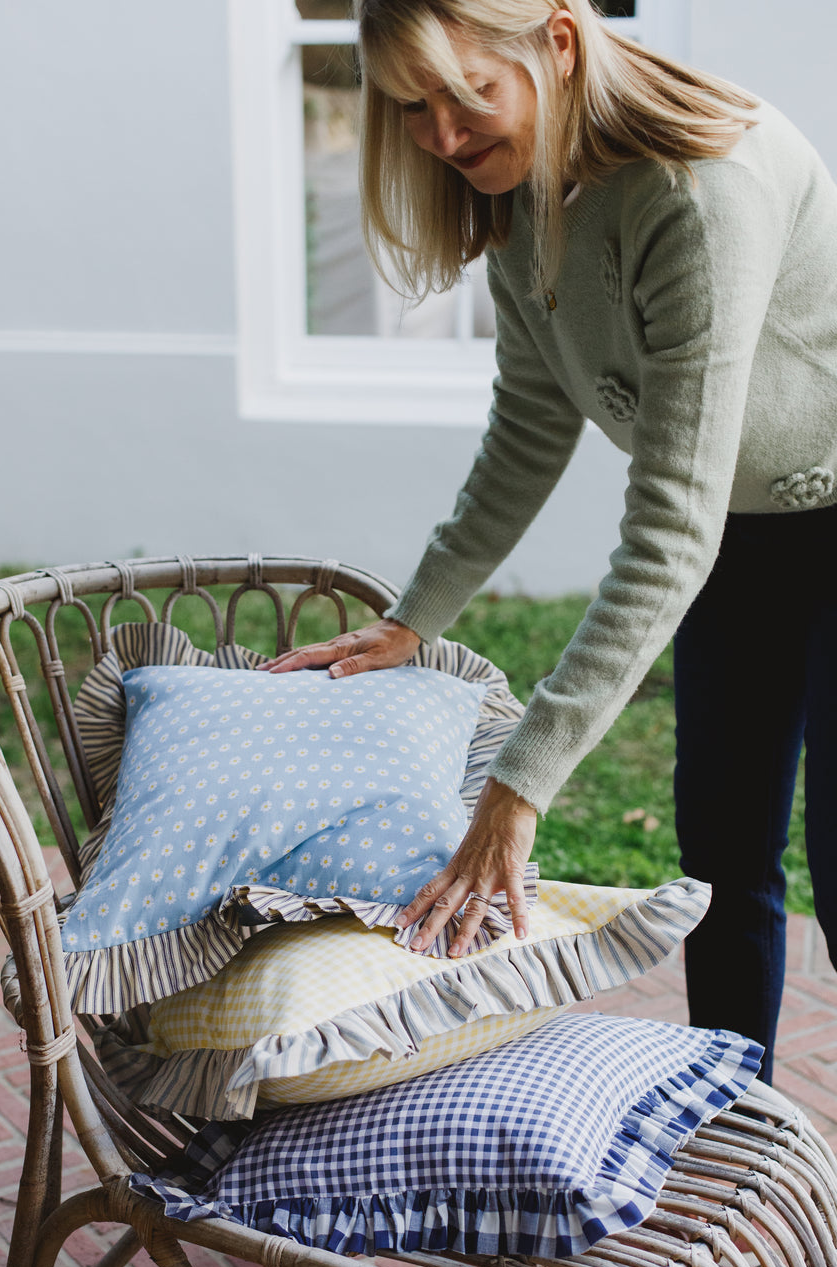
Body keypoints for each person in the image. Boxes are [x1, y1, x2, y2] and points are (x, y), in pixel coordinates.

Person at [262, 0, 837, 1084]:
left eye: (465, 91)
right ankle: (736, 1128)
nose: (439, 134)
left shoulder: (700, 192)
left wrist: (517, 788)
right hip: (738, 539)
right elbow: (528, 434)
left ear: (557, 45)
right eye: (411, 106)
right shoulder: (528, 202)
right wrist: (409, 620)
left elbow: (669, 525)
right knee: (723, 857)